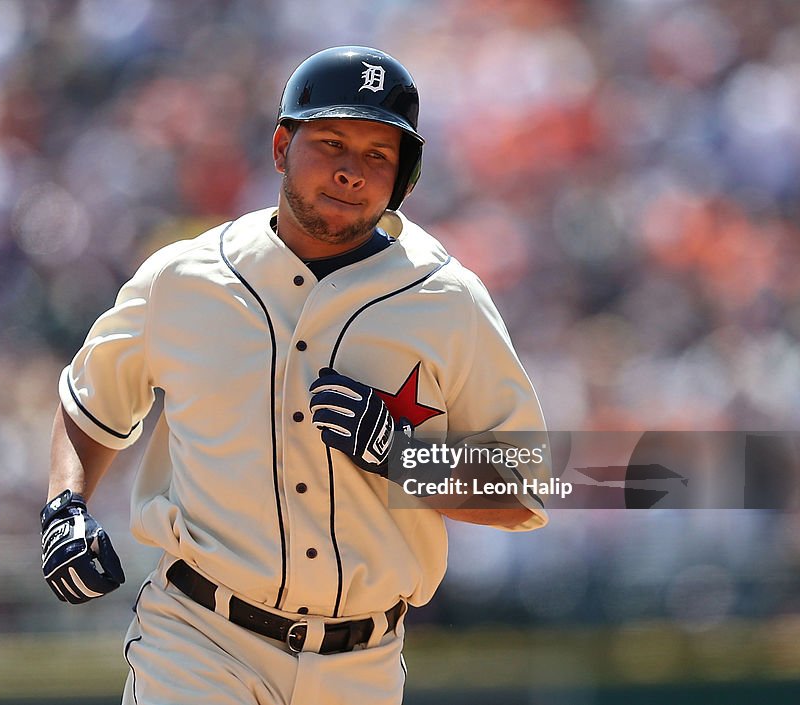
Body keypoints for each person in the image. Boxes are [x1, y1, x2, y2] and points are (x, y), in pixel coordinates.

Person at [41, 45, 550, 705]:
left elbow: (526, 488)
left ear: (403, 176)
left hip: (359, 663)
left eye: (377, 154)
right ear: (282, 146)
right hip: (198, 640)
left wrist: (404, 455)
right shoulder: (187, 277)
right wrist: (63, 505)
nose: (350, 171)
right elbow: (88, 405)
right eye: (331, 142)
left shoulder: (446, 299)